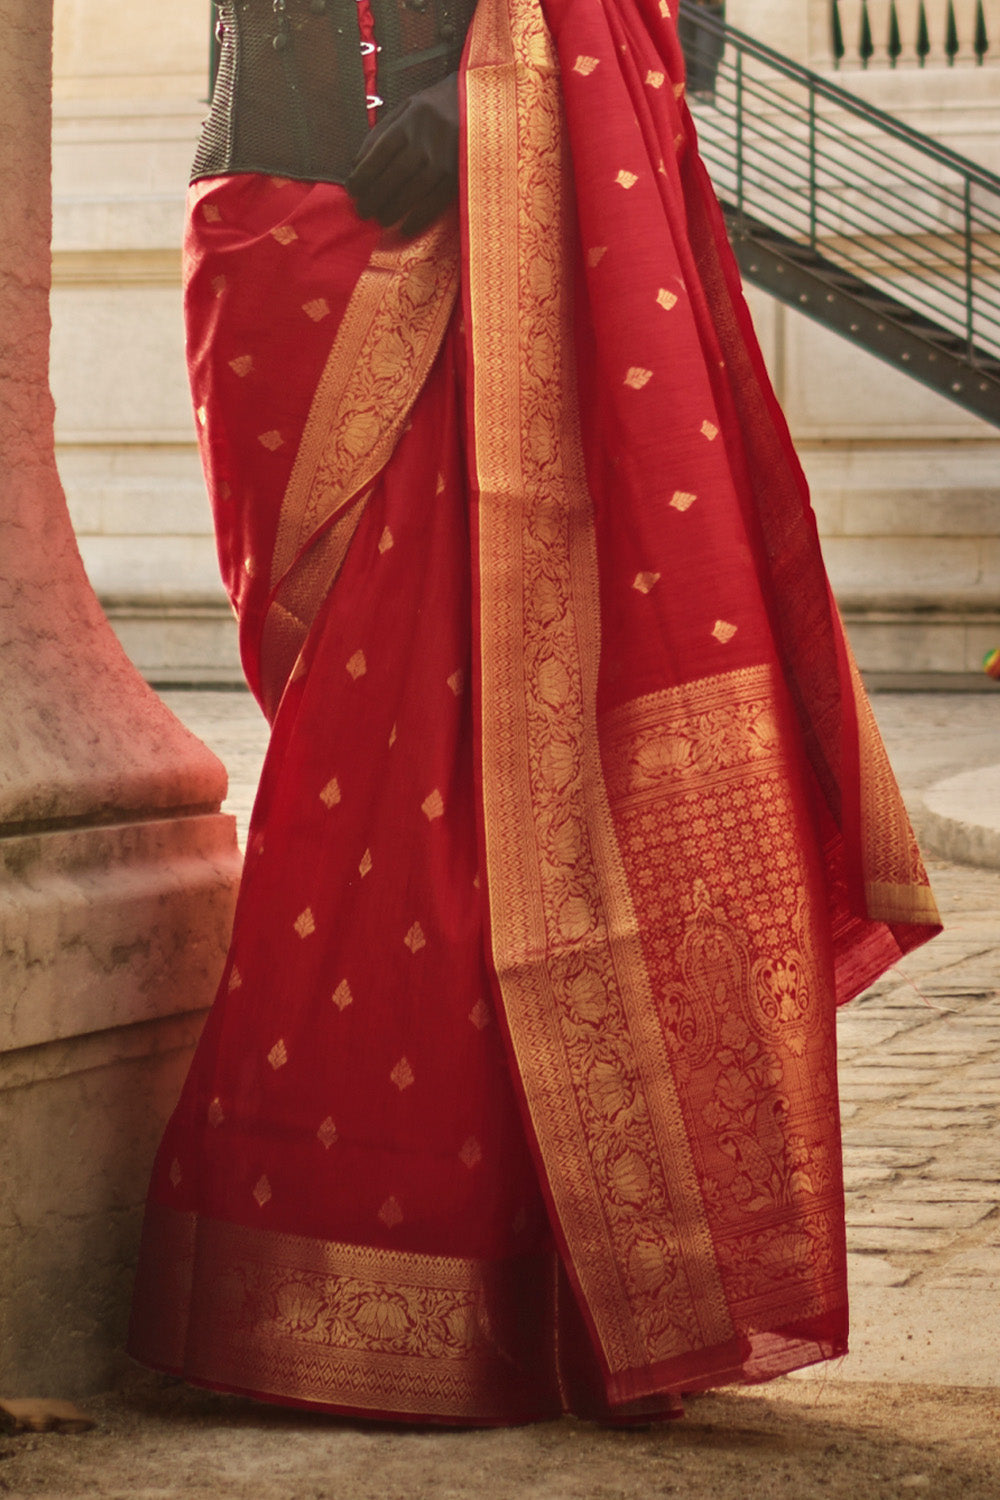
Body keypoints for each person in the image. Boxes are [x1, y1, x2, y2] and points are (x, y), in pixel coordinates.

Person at [127, 0, 941, 1424]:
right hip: (270, 235)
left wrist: (488, 107)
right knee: (357, 720)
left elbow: (664, 20)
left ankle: (500, 1276)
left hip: (456, 231)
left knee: (444, 761)